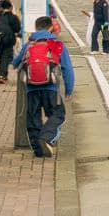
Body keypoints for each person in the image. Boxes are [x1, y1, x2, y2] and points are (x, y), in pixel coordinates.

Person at [13, 15, 72, 157]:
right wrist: (69, 89)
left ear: (36, 28)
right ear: (51, 27)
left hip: (31, 88)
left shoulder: (29, 44)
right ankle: (45, 138)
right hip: (51, 88)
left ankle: (38, 151)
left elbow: (15, 63)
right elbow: (67, 68)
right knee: (57, 114)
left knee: (33, 117)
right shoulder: (56, 43)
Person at [0, 0, 20, 85]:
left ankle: (4, 75)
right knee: (5, 57)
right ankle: (2, 76)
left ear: (2, 7)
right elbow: (17, 29)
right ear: (10, 7)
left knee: (1, 57)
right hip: (8, 39)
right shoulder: (13, 17)